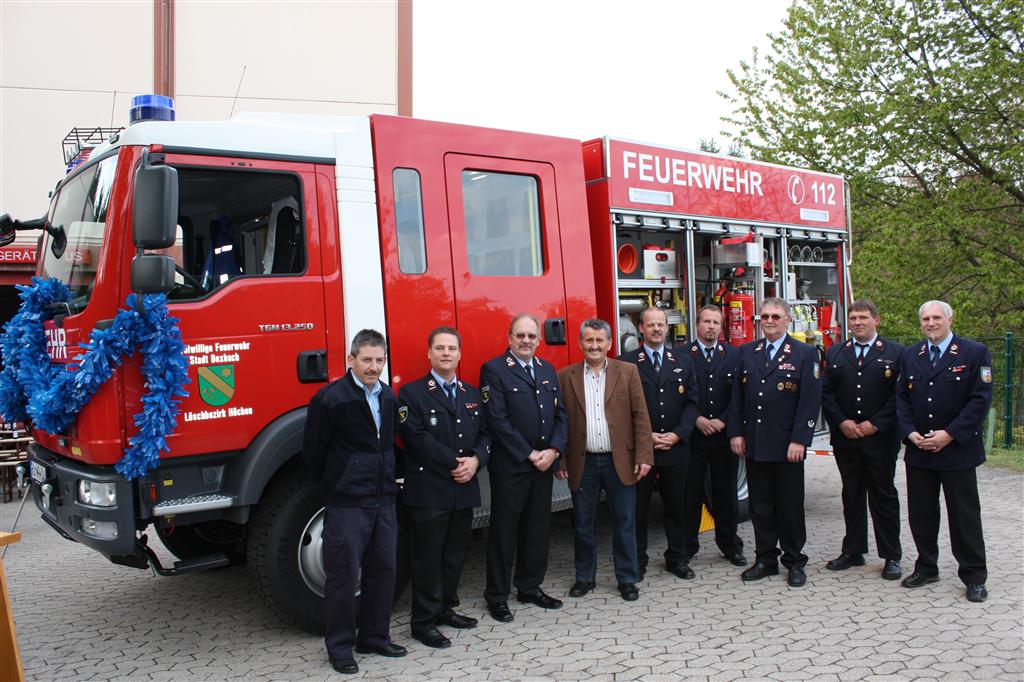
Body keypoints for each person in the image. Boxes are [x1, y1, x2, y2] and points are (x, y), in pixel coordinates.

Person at [303, 329, 407, 675]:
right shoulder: (330, 399)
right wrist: (338, 483)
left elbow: (389, 445)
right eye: (366, 359)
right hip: (348, 502)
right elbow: (314, 452)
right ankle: (340, 647)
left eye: (379, 360)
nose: (373, 366)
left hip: (384, 500)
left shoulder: (389, 397)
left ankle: (375, 637)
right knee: (343, 576)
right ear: (351, 360)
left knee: (384, 570)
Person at [397, 327, 490, 649]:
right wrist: (457, 463)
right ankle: (422, 622)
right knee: (427, 559)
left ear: (460, 354)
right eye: (440, 348)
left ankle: (444, 608)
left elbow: (486, 434)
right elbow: (416, 438)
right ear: (430, 354)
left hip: (463, 488)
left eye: (452, 348)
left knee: (454, 555)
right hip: (430, 490)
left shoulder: (472, 394)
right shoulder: (412, 394)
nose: (446, 353)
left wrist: (477, 460)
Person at [896, 300, 993, 602]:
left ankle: (974, 576)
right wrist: (910, 434)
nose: (931, 323)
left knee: (964, 516)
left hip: (957, 450)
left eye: (937, 317)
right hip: (920, 449)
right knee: (921, 514)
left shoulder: (973, 353)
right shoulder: (911, 355)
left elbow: (980, 400)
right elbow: (900, 399)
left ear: (950, 319)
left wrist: (949, 435)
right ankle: (926, 567)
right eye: (925, 318)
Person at [557, 319, 653, 601]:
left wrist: (644, 455)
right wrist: (561, 461)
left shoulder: (628, 372)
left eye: (600, 341)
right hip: (583, 463)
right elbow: (559, 423)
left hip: (619, 461)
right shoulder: (565, 376)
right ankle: (585, 578)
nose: (595, 346)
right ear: (580, 344)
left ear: (610, 344)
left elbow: (641, 417)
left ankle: (627, 579)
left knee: (624, 522)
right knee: (583, 524)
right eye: (589, 341)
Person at [480, 314, 568, 622]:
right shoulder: (494, 370)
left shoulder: (546, 369)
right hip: (512, 466)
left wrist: (554, 451)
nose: (526, 340)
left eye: (531, 335)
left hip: (543, 464)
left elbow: (560, 415)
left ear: (539, 339)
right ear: (509, 338)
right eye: (521, 335)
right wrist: (530, 453)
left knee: (537, 528)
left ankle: (530, 587)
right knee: (504, 531)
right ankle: (497, 596)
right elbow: (497, 420)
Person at [728, 298, 821, 588]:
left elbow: (809, 402)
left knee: (790, 507)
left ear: (788, 320)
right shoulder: (746, 352)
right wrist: (736, 433)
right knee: (761, 506)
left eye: (776, 316)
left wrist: (799, 440)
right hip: (756, 443)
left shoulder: (805, 354)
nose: (769, 320)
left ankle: (794, 561)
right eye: (765, 316)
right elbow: (737, 399)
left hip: (787, 447)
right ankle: (766, 559)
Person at [821, 300, 903, 580]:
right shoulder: (835, 352)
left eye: (863, 318)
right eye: (853, 318)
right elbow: (826, 393)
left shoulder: (895, 353)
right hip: (847, 438)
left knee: (883, 495)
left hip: (880, 439)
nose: (857, 322)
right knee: (852, 494)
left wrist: (875, 424)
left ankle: (891, 555)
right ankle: (853, 551)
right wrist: (842, 422)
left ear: (876, 320)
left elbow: (899, 396)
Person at [619, 307, 699, 580]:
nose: (656, 329)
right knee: (637, 509)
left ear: (667, 328)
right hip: (642, 450)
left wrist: (678, 434)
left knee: (677, 507)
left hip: (676, 447)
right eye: (650, 325)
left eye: (661, 325)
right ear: (640, 328)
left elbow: (692, 404)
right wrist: (646, 436)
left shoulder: (684, 361)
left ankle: (677, 558)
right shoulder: (626, 362)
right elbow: (620, 409)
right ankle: (637, 560)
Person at [680, 305, 747, 568]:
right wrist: (696, 419)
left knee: (726, 496)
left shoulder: (734, 355)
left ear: (722, 327)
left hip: (722, 436)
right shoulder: (682, 355)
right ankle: (686, 548)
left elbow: (739, 395)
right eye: (706, 321)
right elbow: (679, 395)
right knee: (690, 495)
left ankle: (730, 545)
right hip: (693, 437)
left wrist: (723, 420)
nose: (711, 327)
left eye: (715, 322)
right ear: (697, 325)